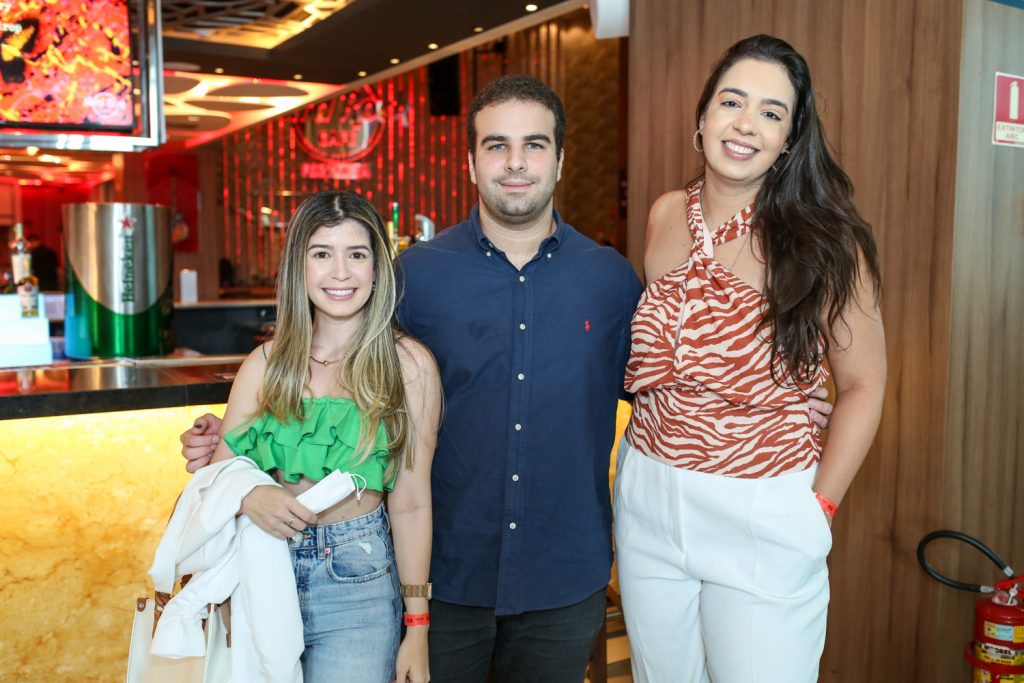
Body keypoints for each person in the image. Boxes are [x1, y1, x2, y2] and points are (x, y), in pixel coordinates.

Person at [182, 75, 833, 682]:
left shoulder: (611, 283)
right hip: (442, 580)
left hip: (564, 578)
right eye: (497, 145)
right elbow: (341, 377)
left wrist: (786, 440)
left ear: (559, 160)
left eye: (533, 145)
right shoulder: (415, 277)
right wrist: (235, 448)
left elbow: (670, 399)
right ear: (471, 162)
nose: (515, 162)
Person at [613, 35, 887, 683]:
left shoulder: (826, 241)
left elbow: (865, 385)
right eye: (732, 101)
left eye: (771, 112)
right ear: (702, 117)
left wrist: (817, 508)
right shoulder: (663, 216)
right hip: (649, 494)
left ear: (790, 137)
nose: (746, 123)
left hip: (763, 505)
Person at [201, 190, 440, 683]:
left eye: (357, 255)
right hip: (262, 568)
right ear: (298, 268)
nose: (340, 273)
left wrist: (416, 628)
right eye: (321, 254)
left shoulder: (409, 365)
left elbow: (412, 504)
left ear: (378, 269)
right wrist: (250, 494)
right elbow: (218, 478)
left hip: (359, 582)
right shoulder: (266, 365)